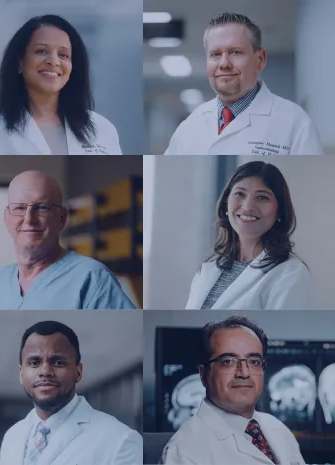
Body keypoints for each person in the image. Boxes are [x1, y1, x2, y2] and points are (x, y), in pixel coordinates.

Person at [0, 15, 122, 155]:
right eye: (41, 51)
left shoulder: (102, 129)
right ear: (20, 62)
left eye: (63, 54)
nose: (54, 61)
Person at [164, 13, 322, 155]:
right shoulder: (189, 125)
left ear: (260, 59)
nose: (224, 63)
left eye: (235, 52)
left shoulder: (295, 122)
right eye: (216, 54)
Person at [0, 171, 135, 310]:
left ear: (62, 218)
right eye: (20, 208)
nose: (29, 218)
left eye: (42, 207)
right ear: (6, 219)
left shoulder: (93, 279)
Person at [161, 315, 306, 464]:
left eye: (254, 361)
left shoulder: (278, 429)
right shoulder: (183, 452)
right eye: (228, 361)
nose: (244, 373)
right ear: (204, 375)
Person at [0, 321, 141, 465]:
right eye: (34, 363)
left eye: (58, 362)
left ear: (78, 373)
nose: (45, 371)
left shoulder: (120, 441)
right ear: (21, 374)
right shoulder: (12, 436)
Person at [185, 161, 314, 309]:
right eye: (240, 194)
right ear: (226, 202)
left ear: (279, 211)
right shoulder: (207, 270)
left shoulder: (291, 274)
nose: (247, 207)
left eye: (262, 197)